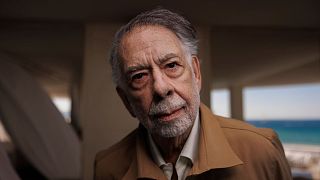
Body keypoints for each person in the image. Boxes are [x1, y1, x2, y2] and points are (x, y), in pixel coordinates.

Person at [94, 8, 292, 180]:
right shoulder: (107, 168)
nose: (161, 89)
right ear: (126, 100)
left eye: (171, 65)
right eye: (139, 77)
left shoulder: (262, 150)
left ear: (196, 73)